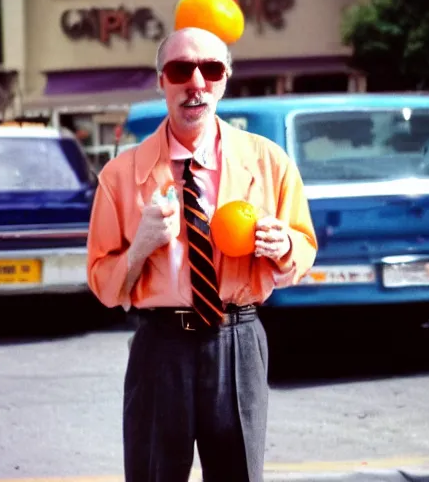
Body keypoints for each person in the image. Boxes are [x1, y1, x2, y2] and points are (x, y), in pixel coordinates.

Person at [86, 27, 318, 482]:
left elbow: (304, 245)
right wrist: (140, 249)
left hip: (237, 339)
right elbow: (101, 281)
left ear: (225, 79)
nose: (196, 82)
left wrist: (284, 245)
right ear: (162, 81)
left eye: (210, 69)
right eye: (180, 70)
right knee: (153, 473)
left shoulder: (269, 163)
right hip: (160, 345)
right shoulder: (119, 176)